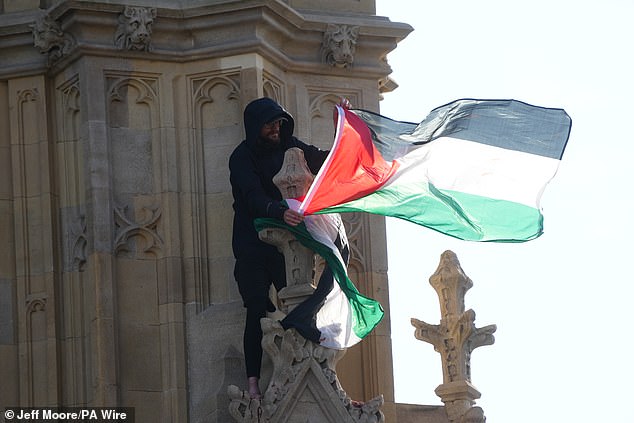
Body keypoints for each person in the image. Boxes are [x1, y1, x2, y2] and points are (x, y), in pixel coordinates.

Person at [229, 97, 329, 399]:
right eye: (270, 124)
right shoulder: (241, 157)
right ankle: (254, 384)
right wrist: (277, 210)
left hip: (288, 244)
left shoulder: (290, 145)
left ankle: (319, 376)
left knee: (304, 304)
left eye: (279, 123)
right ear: (256, 126)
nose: (276, 129)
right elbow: (251, 196)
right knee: (257, 307)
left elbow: (321, 159)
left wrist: (344, 129)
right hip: (252, 243)